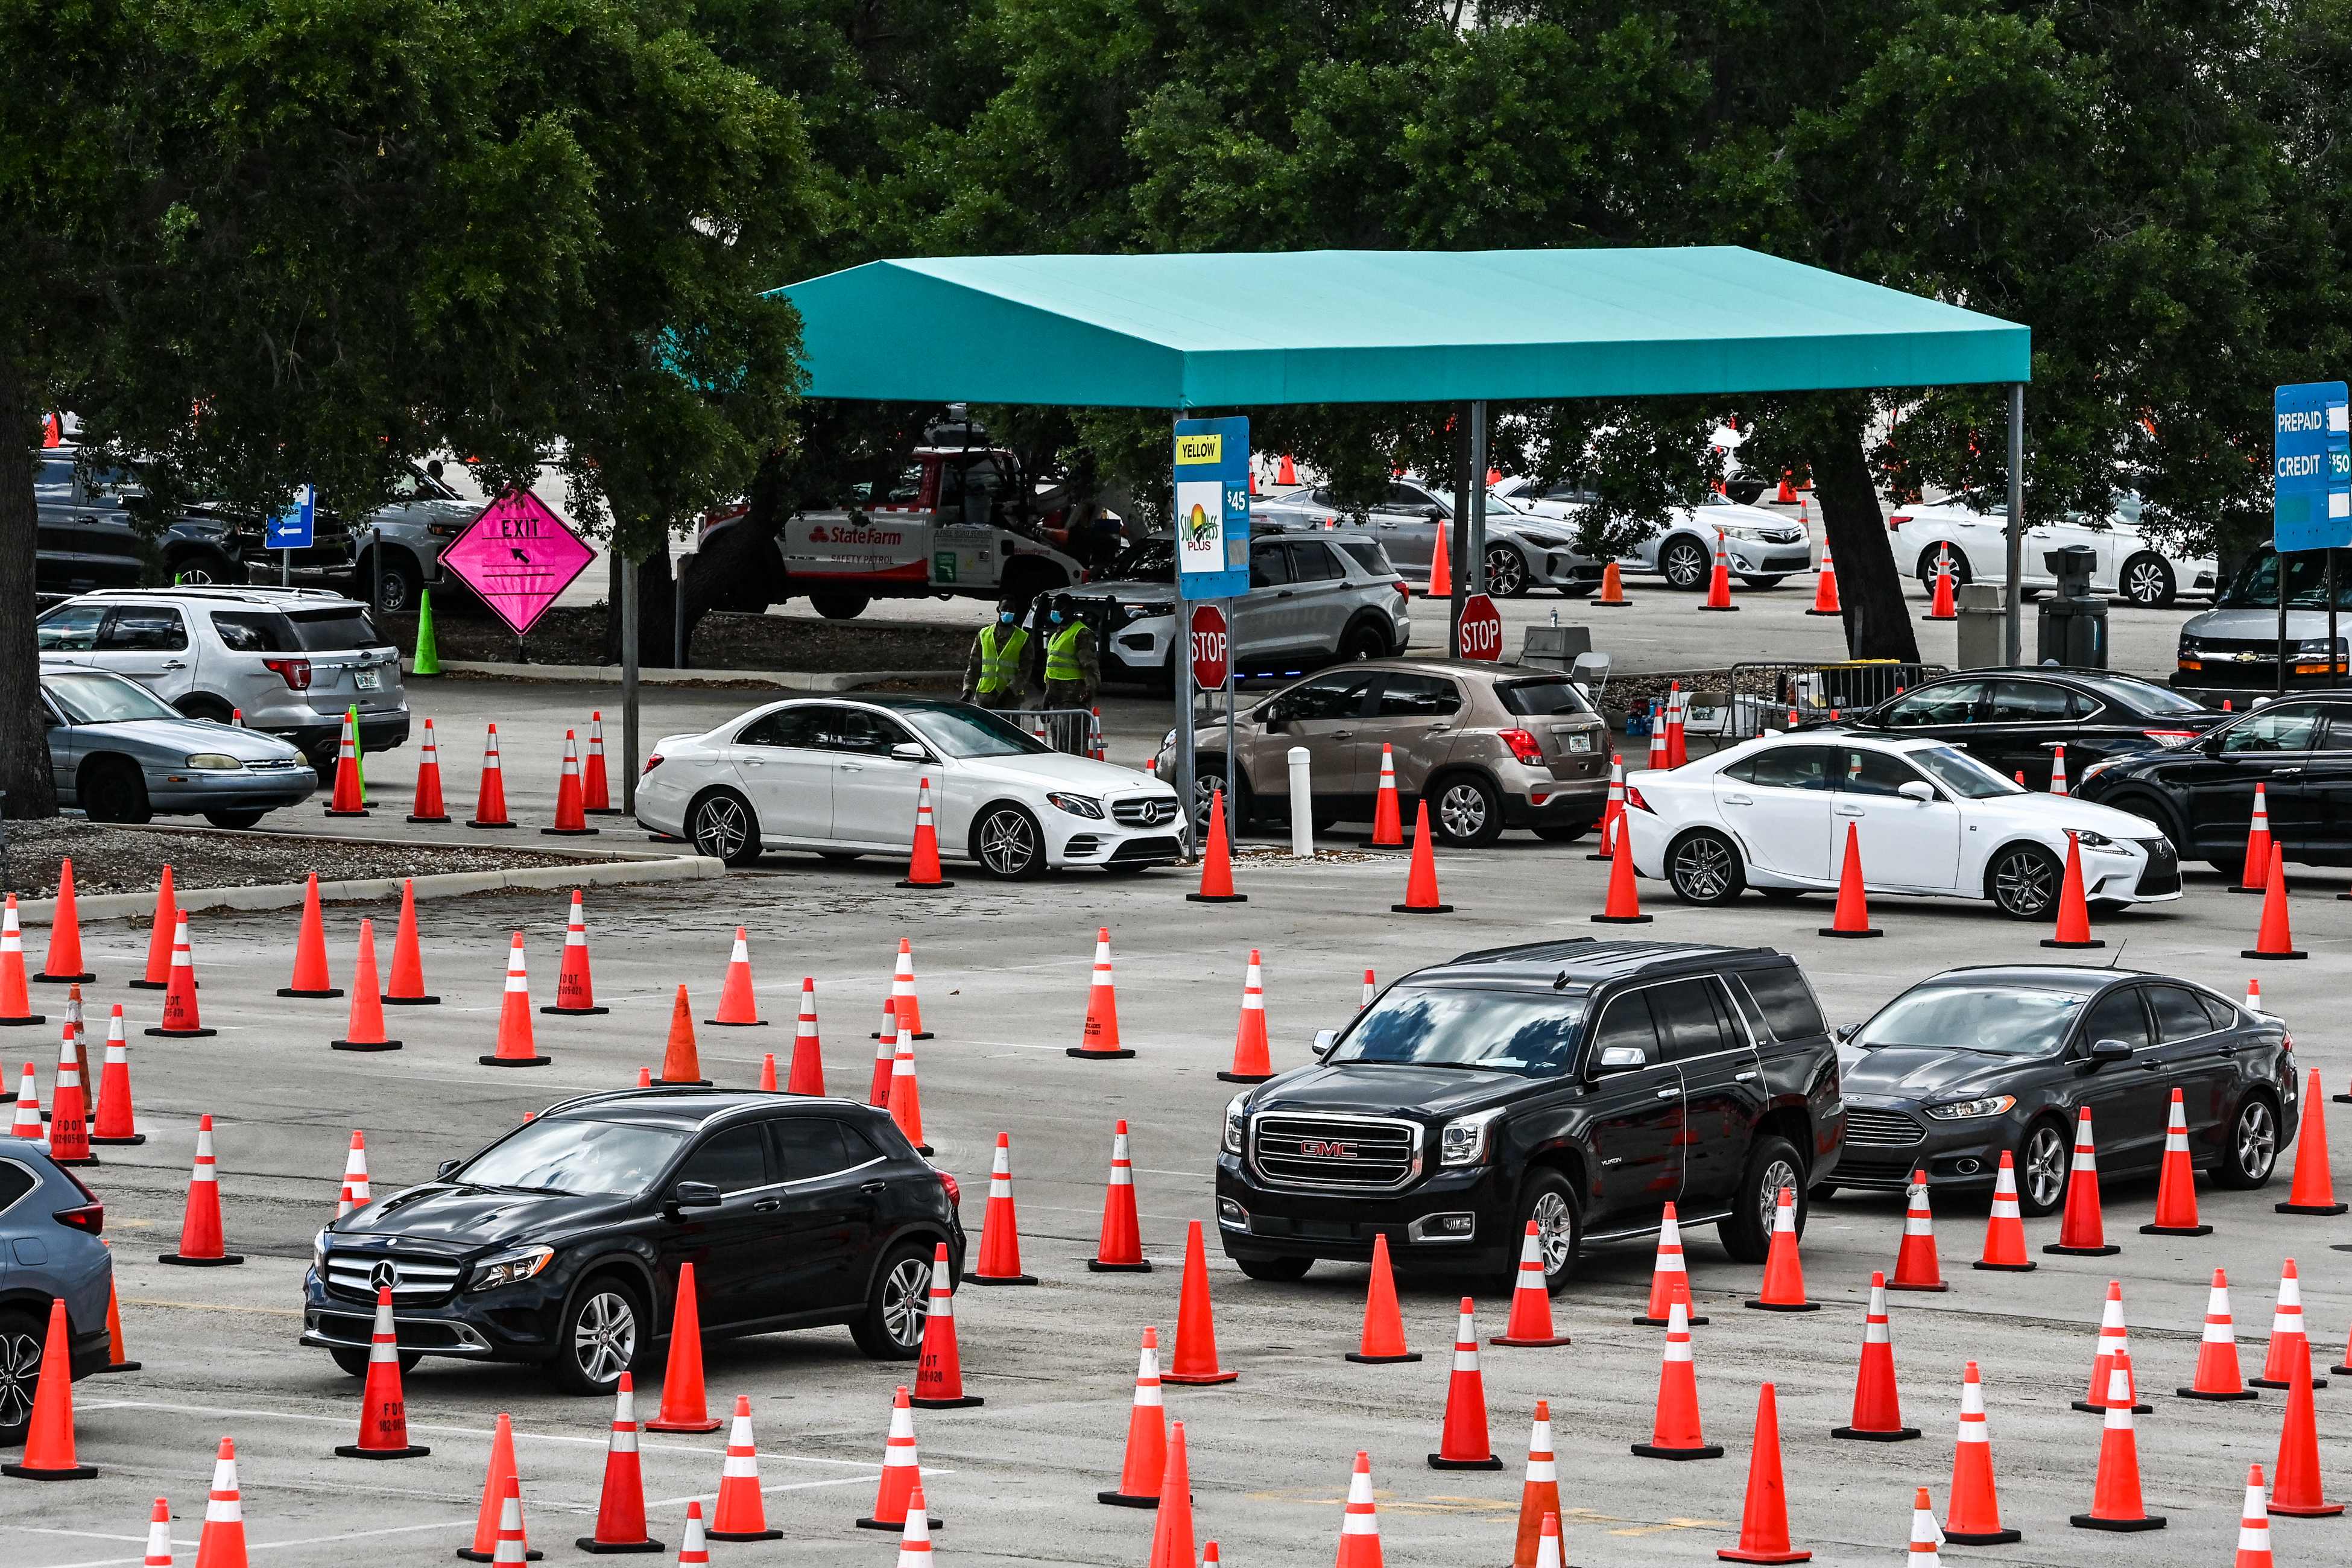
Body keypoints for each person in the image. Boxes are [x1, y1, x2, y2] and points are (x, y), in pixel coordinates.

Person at [1035, 592, 1100, 750]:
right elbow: (1052, 672)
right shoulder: (1058, 634)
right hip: (1058, 701)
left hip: (1073, 702)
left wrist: (1090, 690)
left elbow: (1090, 666)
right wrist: (1047, 699)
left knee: (1073, 749)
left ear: (1068, 610)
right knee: (1059, 750)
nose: (1054, 613)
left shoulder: (1081, 633)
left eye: (1057, 609)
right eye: (1052, 609)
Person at [961, 601, 1031, 710]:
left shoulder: (1023, 638)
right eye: (1005, 609)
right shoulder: (984, 634)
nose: (1008, 612)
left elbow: (1025, 671)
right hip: (985, 697)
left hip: (1010, 699)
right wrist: (968, 690)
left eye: (1011, 610)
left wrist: (1009, 691)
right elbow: (974, 666)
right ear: (998, 610)